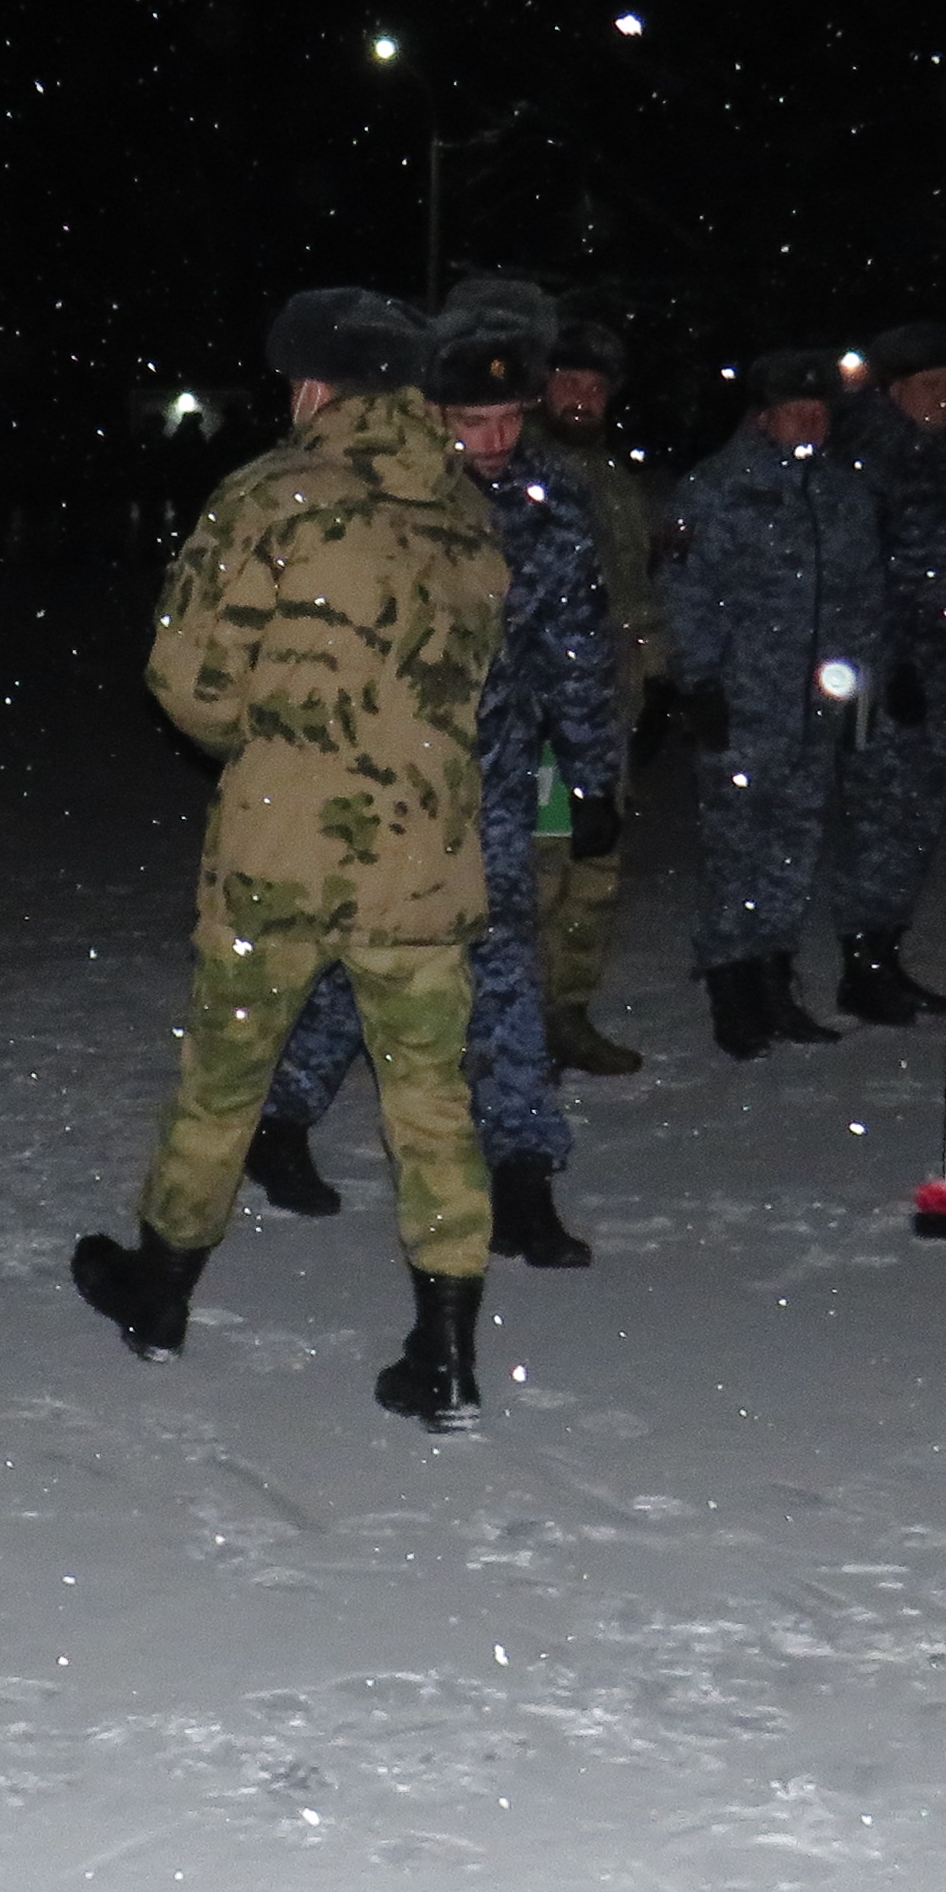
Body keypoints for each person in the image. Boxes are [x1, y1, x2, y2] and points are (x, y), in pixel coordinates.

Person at [72, 288, 510, 1423]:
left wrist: (280, 753)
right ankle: (447, 1350)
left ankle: (161, 1292)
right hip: (424, 853)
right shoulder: (465, 507)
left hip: (283, 847)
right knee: (431, 1098)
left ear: (312, 386)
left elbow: (189, 679)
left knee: (224, 1078)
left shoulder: (272, 493)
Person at [246, 281, 630, 1270]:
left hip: (492, 782)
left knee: (501, 971)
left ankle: (523, 1175)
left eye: (509, 418)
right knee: (358, 960)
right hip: (379, 782)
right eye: (472, 421)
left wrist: (592, 777)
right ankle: (278, 1119)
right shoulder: (386, 498)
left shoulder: (550, 504)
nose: (494, 441)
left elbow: (576, 650)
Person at [666, 347, 886, 1058]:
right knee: (737, 853)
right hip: (743, 703)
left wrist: (860, 682)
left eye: (820, 411)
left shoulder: (842, 493)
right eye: (796, 411)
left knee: (793, 852)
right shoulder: (718, 489)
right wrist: (698, 682)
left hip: (815, 708)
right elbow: (688, 591)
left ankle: (774, 982)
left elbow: (861, 598)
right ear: (763, 417)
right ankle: (732, 989)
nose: (810, 423)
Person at [821, 319, 946, 1017]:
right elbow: (863, 577)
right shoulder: (873, 457)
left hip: (938, 671)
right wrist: (892, 665)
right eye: (929, 384)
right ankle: (863, 968)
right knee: (880, 822)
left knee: (914, 823)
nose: (944, 397)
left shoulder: (940, 457)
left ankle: (884, 956)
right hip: (889, 679)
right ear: (893, 390)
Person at [528, 315, 662, 1074]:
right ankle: (523, 1024)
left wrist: (658, 679)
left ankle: (569, 1011)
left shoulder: (614, 481)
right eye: (569, 382)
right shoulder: (518, 472)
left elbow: (635, 597)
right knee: (541, 872)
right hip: (545, 718)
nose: (581, 398)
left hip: (608, 712)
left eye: (596, 388)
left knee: (594, 871)